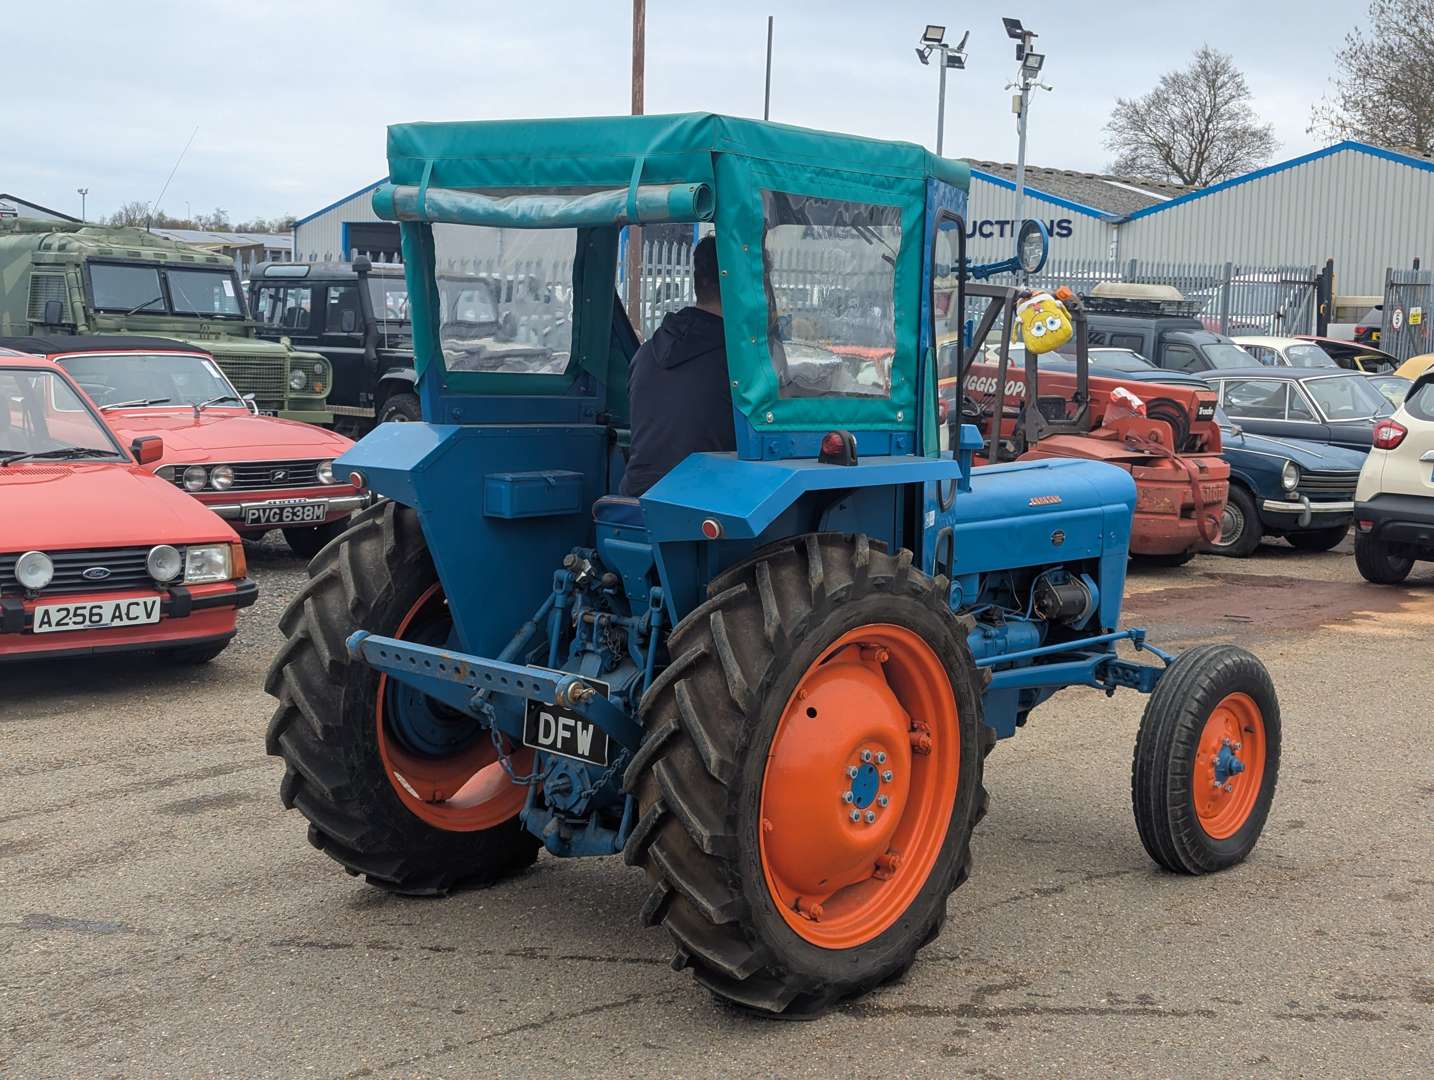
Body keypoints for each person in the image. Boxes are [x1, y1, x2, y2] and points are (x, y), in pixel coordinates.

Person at [620, 235, 735, 497]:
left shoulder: (646, 353)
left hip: (637, 500)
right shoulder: (738, 363)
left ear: (698, 281)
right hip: (703, 503)